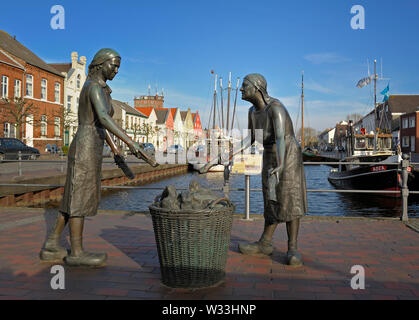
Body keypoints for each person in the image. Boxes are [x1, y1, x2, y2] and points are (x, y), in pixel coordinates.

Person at [40, 48, 158, 267]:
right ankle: (76, 253)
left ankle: (52, 243)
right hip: (85, 145)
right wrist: (131, 142)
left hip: (93, 144)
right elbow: (103, 118)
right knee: (80, 197)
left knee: (74, 196)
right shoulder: (93, 87)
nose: (116, 70)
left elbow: (101, 124)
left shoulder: (103, 90)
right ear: (100, 64)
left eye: (118, 67)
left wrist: (115, 148)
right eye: (113, 65)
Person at [237, 74, 308, 266]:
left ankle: (292, 247)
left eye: (244, 86)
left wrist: (282, 164)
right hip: (269, 154)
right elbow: (250, 138)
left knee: (289, 197)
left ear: (257, 88)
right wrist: (225, 155)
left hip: (287, 153)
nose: (241, 89)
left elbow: (280, 137)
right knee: (271, 197)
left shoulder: (275, 108)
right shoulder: (252, 111)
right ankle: (265, 243)